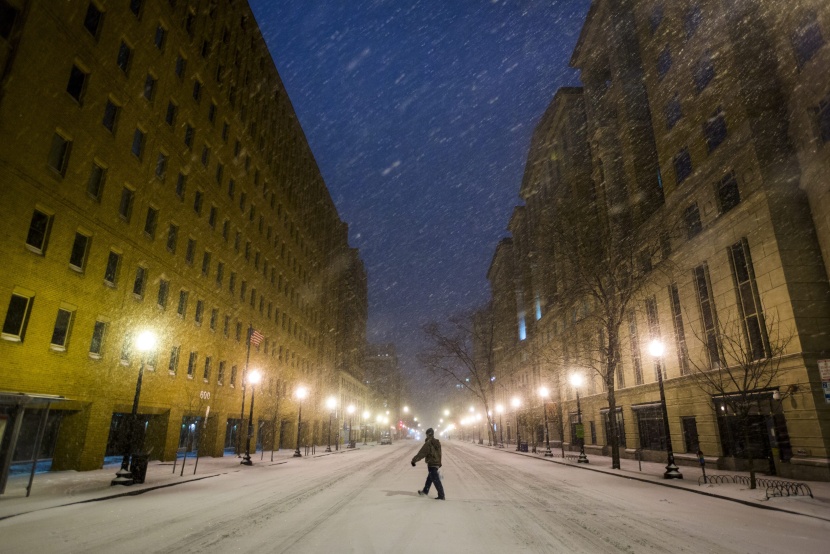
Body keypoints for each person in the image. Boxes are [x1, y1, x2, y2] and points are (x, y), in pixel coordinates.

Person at [411, 428, 445, 500]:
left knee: (436, 480)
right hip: (436, 463)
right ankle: (425, 491)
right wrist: (438, 462)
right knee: (429, 478)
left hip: (432, 463)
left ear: (428, 434)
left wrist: (414, 460)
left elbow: (422, 453)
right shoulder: (437, 442)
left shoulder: (428, 443)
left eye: (426, 434)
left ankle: (441, 495)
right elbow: (439, 453)